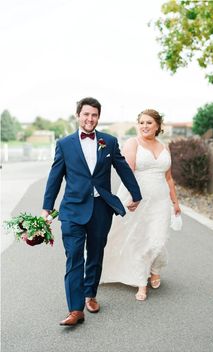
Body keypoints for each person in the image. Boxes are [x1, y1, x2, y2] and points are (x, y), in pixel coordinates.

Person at [41, 97, 142, 326]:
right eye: (86, 114)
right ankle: (75, 309)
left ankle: (90, 294)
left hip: (100, 209)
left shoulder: (109, 141)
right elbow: (55, 177)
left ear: (98, 117)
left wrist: (136, 194)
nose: (90, 119)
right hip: (72, 210)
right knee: (74, 256)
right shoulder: (65, 144)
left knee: (95, 254)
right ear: (78, 115)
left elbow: (123, 168)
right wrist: (47, 207)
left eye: (94, 115)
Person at [101, 109, 181, 300]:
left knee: (158, 238)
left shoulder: (164, 146)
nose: (145, 126)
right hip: (137, 199)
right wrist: (132, 198)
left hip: (160, 200)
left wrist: (175, 202)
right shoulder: (133, 143)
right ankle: (140, 282)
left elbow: (169, 178)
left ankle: (155, 269)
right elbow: (128, 172)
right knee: (140, 239)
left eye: (149, 123)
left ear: (158, 126)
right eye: (142, 122)